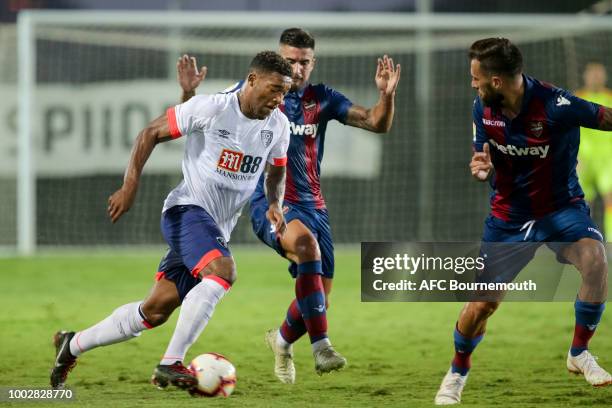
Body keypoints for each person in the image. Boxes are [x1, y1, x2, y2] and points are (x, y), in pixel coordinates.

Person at [50, 51, 293, 391]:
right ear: (252, 80)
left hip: (215, 229)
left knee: (154, 311)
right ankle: (170, 364)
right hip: (187, 211)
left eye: (285, 91)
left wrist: (275, 204)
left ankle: (71, 344)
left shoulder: (279, 125)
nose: (279, 97)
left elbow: (276, 172)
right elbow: (150, 132)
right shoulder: (214, 107)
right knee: (224, 272)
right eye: (274, 88)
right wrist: (129, 186)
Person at [177, 27, 400, 383]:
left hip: (315, 207)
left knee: (319, 298)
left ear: (313, 63)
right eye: (291, 61)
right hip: (271, 201)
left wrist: (386, 95)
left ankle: (281, 341)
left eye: (304, 62)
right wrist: (188, 92)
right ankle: (321, 346)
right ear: (280, 59)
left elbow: (376, 122)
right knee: (306, 250)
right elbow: (198, 115)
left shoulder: (322, 99)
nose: (297, 69)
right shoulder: (254, 94)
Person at [434, 38, 612, 405]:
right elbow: (481, 155)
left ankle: (579, 352)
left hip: (562, 209)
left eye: (476, 77)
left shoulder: (555, 104)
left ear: (496, 80)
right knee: (482, 305)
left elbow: (605, 117)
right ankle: (456, 371)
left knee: (596, 260)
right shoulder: (482, 108)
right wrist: (481, 167)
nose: (472, 83)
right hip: (508, 218)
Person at [576, 62, 612, 240]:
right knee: (583, 203)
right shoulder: (577, 99)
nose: (596, 77)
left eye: (600, 73)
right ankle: (584, 242)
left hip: (608, 158)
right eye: (593, 74)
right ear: (585, 76)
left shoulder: (610, 98)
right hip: (584, 159)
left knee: (611, 199)